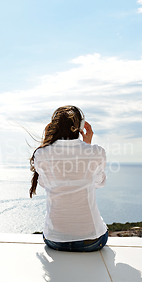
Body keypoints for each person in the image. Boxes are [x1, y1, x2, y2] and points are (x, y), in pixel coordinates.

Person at [30, 105, 108, 252]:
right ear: (81, 126)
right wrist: (87, 146)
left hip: (55, 240)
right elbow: (99, 183)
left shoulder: (41, 154)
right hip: (92, 241)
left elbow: (44, 183)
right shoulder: (97, 152)